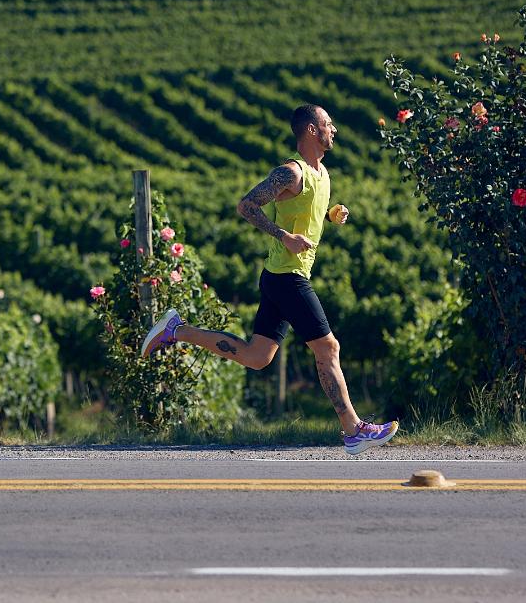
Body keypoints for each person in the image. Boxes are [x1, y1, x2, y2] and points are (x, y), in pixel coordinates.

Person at [141, 104, 397, 454]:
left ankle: (177, 330)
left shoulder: (321, 174)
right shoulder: (290, 173)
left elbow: (307, 210)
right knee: (328, 348)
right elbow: (246, 206)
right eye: (328, 124)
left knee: (258, 356)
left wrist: (331, 214)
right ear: (310, 130)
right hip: (287, 278)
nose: (334, 129)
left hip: (282, 276)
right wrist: (283, 236)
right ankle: (354, 430)